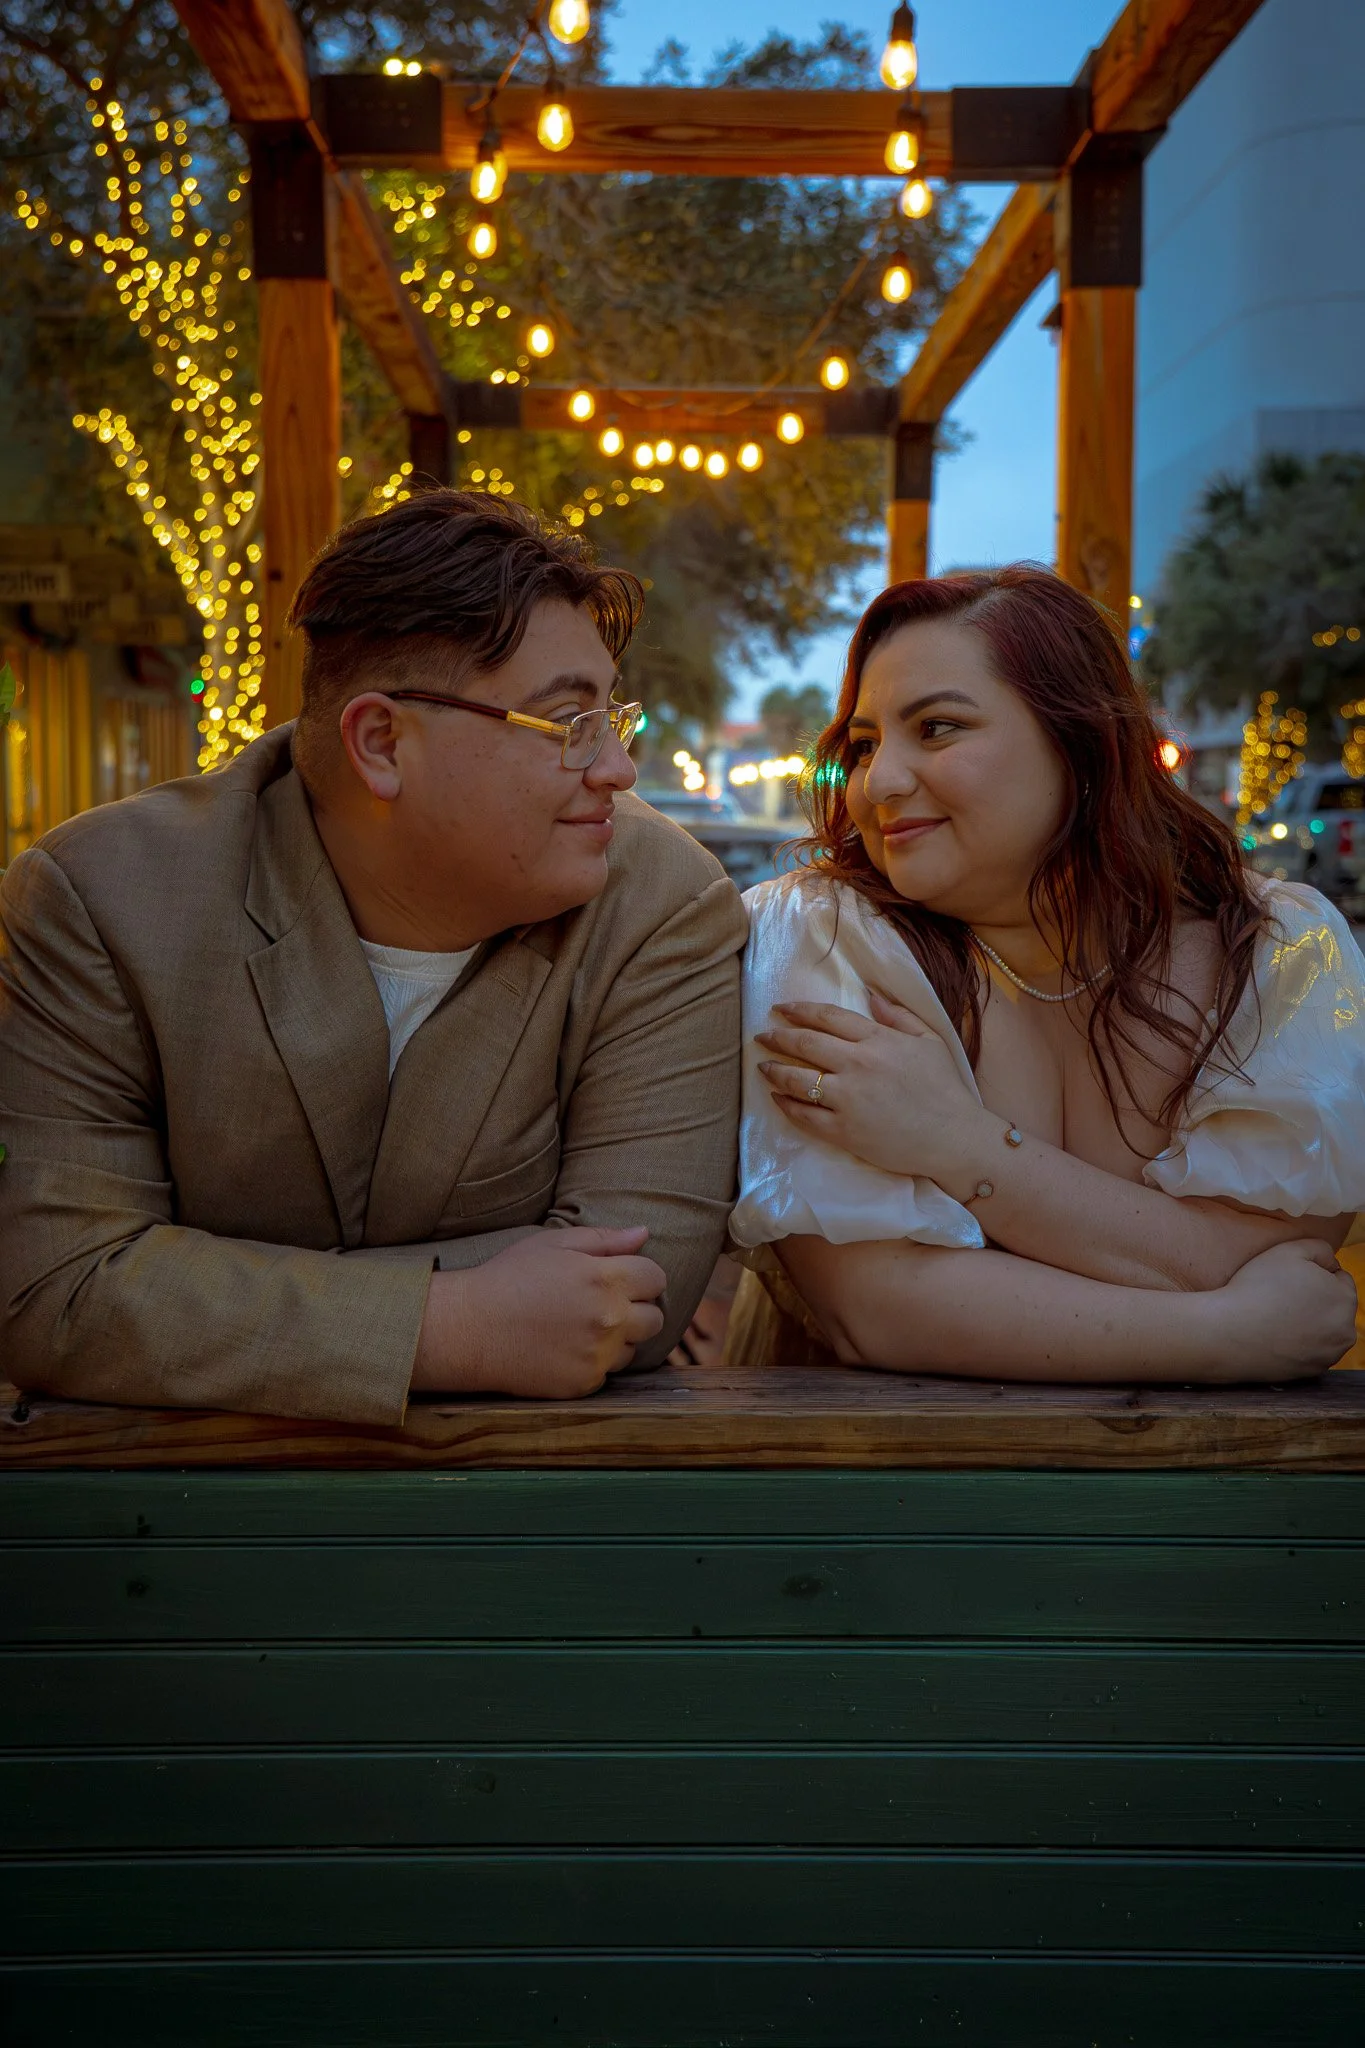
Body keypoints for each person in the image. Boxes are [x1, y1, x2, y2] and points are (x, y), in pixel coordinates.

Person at [0, 492, 746, 1422]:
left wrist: (177, 1286)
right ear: (382, 742)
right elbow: (59, 1290)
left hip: (533, 1516)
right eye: (568, 726)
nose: (617, 770)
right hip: (155, 1518)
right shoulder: (106, 898)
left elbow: (631, 1293)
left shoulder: (663, 905)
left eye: (614, 718)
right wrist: (453, 1323)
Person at [727, 567, 1362, 1382]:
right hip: (867, 1481)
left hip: (1213, 1498)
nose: (878, 781)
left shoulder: (1278, 951)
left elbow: (1275, 1259)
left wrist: (956, 1142)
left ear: (1079, 741)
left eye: (938, 728)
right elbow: (877, 1304)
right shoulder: (821, 936)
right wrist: (1223, 1337)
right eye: (864, 744)